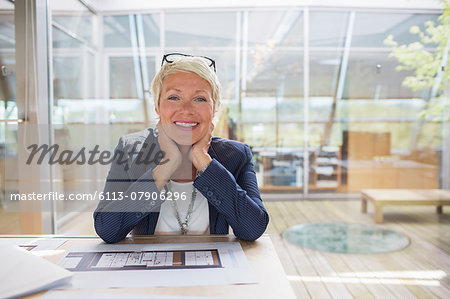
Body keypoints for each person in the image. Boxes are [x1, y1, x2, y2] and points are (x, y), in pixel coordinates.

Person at [94, 53, 269, 243]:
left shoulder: (236, 155)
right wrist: (166, 166)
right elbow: (107, 229)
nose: (186, 109)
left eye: (200, 99)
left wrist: (203, 161)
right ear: (157, 107)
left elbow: (253, 228)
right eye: (174, 97)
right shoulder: (130, 150)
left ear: (215, 107)